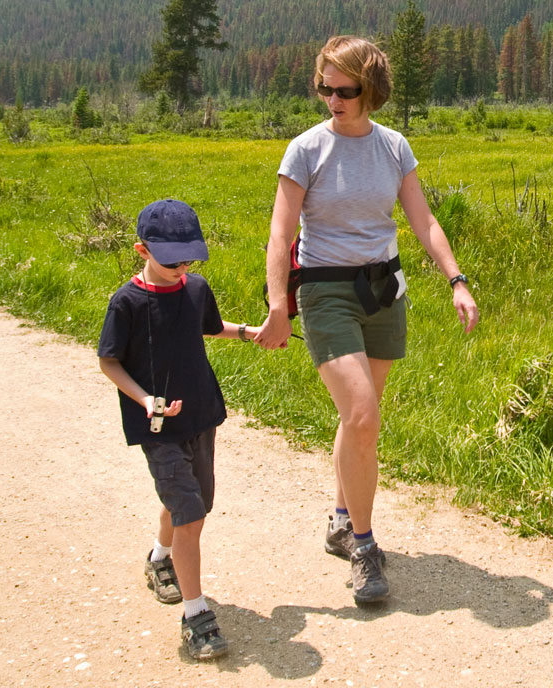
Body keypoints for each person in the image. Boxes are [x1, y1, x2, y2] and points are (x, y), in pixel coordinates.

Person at [254, 34, 478, 605]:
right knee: (361, 412)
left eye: (345, 90)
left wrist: (456, 279)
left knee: (360, 421)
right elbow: (281, 234)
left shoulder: (394, 147)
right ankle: (364, 545)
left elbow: (424, 221)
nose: (332, 99)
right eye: (324, 88)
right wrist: (278, 305)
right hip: (325, 292)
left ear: (371, 89)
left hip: (383, 290)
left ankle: (338, 514)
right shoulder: (305, 150)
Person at [97, 198, 255, 661]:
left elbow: (209, 329)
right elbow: (108, 360)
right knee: (190, 512)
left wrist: (249, 332)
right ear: (141, 250)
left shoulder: (196, 288)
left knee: (193, 501)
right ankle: (196, 617)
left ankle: (159, 558)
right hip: (158, 425)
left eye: (189, 257)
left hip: (201, 414)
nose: (181, 266)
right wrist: (145, 399)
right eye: (171, 259)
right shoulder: (125, 302)